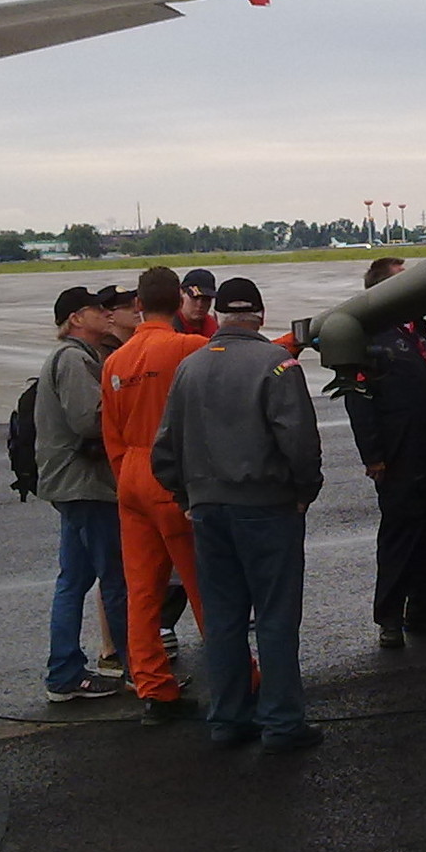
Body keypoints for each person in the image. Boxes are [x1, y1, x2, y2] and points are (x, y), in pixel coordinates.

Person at [151, 275, 324, 751]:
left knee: (224, 618)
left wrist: (187, 497)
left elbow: (163, 451)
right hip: (267, 506)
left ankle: (228, 719)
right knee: (274, 616)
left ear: (220, 316)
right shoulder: (277, 364)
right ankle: (283, 723)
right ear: (261, 317)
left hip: (208, 510)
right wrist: (304, 490)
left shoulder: (191, 367)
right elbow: (299, 440)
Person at [103, 266, 211, 726]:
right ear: (179, 300)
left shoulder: (115, 362)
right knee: (206, 585)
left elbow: (111, 436)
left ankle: (153, 688)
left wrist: (128, 476)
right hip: (171, 474)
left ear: (140, 304)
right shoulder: (189, 347)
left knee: (143, 590)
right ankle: (241, 677)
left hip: (130, 474)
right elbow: (247, 358)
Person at [345, 256, 426, 649]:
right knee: (400, 533)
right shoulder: (369, 338)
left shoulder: (422, 333)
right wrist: (373, 456)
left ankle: (424, 609)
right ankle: (390, 617)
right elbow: (358, 401)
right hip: (397, 453)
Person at [35, 285, 128, 704]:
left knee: (73, 579)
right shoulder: (73, 359)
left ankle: (64, 672)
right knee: (115, 579)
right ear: (76, 318)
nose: (106, 313)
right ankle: (134, 667)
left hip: (72, 484)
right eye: (96, 309)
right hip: (86, 485)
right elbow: (88, 421)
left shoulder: (76, 356)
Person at [175, 268, 219, 337]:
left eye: (206, 299)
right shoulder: (167, 325)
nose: (200, 304)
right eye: (195, 298)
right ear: (182, 293)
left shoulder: (214, 328)